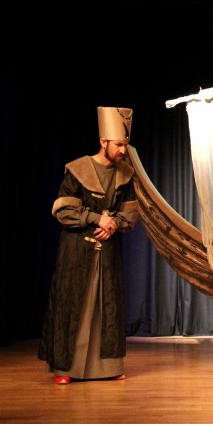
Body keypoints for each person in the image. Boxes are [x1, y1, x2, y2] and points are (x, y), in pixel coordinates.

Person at [38, 106, 140, 384]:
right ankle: (66, 369)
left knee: (107, 305)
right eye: (118, 145)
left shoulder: (125, 174)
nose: (123, 150)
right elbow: (63, 210)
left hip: (106, 251)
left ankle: (107, 367)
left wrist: (114, 223)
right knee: (74, 304)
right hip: (76, 250)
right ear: (103, 141)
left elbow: (131, 213)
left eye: (125, 145)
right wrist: (97, 218)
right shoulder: (78, 169)